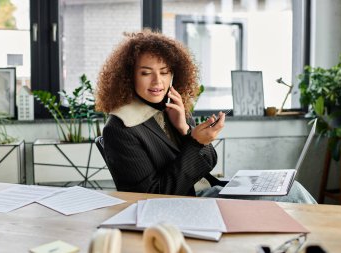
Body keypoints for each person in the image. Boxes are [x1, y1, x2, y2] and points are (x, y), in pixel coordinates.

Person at [96, 29, 316, 204]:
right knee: (291, 194)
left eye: (164, 72)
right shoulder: (120, 128)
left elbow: (209, 162)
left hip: (209, 190)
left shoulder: (172, 107)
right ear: (128, 77)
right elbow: (150, 196)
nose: (157, 82)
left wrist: (184, 128)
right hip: (186, 204)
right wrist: (194, 142)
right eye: (146, 73)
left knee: (289, 186)